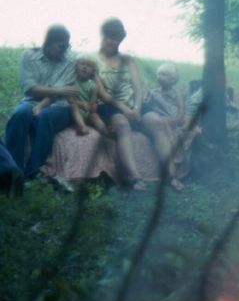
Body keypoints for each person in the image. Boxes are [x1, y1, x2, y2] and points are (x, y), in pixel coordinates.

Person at [96, 18, 184, 191]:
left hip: (134, 102)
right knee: (122, 124)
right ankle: (134, 178)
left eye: (118, 39)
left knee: (156, 122)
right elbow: (102, 93)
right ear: (103, 36)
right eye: (110, 37)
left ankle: (170, 175)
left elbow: (137, 86)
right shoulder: (93, 59)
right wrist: (125, 109)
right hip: (110, 104)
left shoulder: (128, 60)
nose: (113, 42)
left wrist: (136, 107)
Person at [3, 25, 79, 178]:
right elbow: (30, 88)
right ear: (49, 42)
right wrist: (59, 90)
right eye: (62, 45)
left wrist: (47, 97)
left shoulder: (71, 62)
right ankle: (11, 170)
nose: (65, 49)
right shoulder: (29, 56)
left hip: (61, 105)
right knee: (20, 115)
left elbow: (60, 93)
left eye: (68, 45)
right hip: (31, 101)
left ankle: (33, 171)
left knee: (45, 117)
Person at [35, 54, 108, 137]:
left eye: (88, 66)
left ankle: (106, 133)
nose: (85, 67)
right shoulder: (72, 81)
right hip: (75, 109)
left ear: (93, 71)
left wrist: (92, 107)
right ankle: (82, 127)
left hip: (87, 110)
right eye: (82, 64)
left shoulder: (93, 86)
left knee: (95, 116)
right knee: (73, 106)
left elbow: (93, 101)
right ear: (76, 67)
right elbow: (70, 101)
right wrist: (80, 104)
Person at [143, 63, 186, 128]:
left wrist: (177, 119)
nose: (159, 77)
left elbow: (181, 108)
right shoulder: (154, 92)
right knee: (162, 122)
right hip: (161, 116)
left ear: (172, 79)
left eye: (163, 74)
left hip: (174, 116)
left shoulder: (177, 93)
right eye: (158, 74)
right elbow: (149, 104)